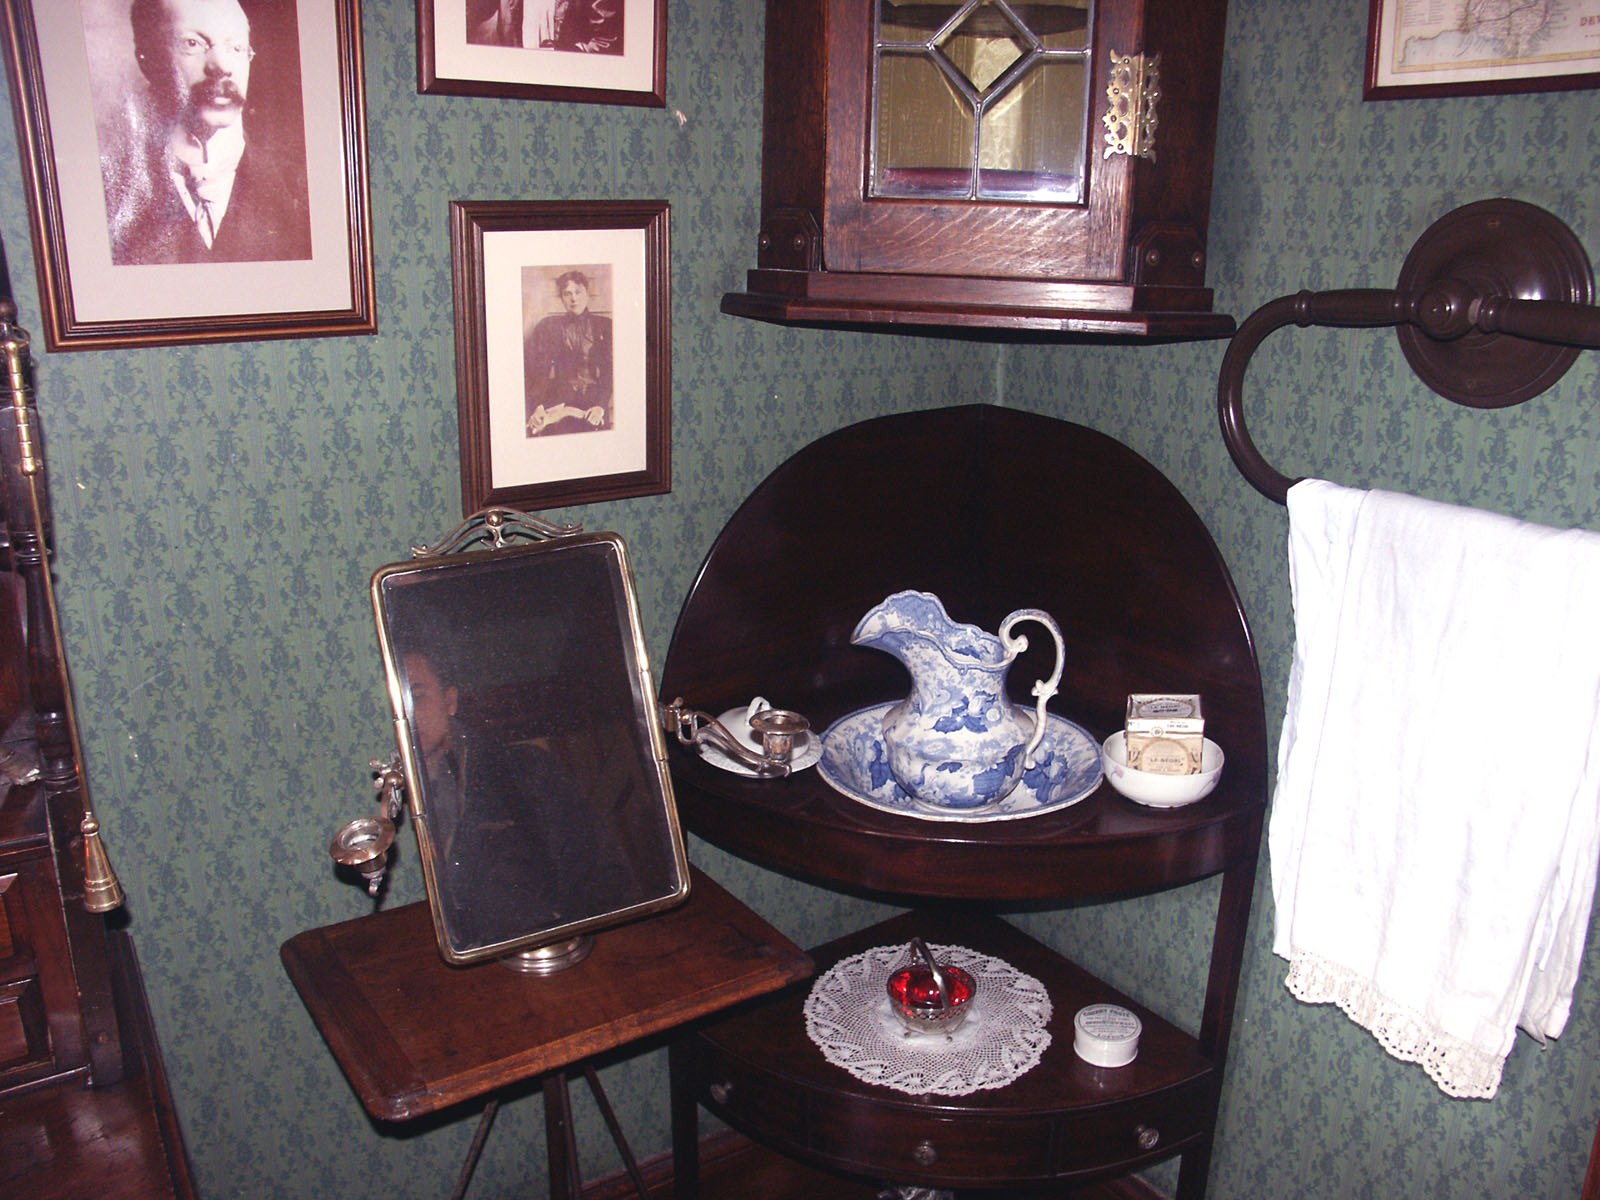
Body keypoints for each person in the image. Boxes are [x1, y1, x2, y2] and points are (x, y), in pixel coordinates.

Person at [99, 0, 312, 265]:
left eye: (235, 47)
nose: (221, 65)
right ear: (148, 60)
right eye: (193, 44)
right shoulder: (109, 202)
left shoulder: (302, 195)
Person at [523, 270, 613, 437]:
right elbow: (539, 371)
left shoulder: (605, 326)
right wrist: (538, 405)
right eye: (567, 294)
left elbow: (610, 371)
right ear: (561, 298)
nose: (573, 299)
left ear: (587, 294)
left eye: (578, 292)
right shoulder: (549, 327)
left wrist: (601, 405)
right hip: (560, 404)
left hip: (594, 404)